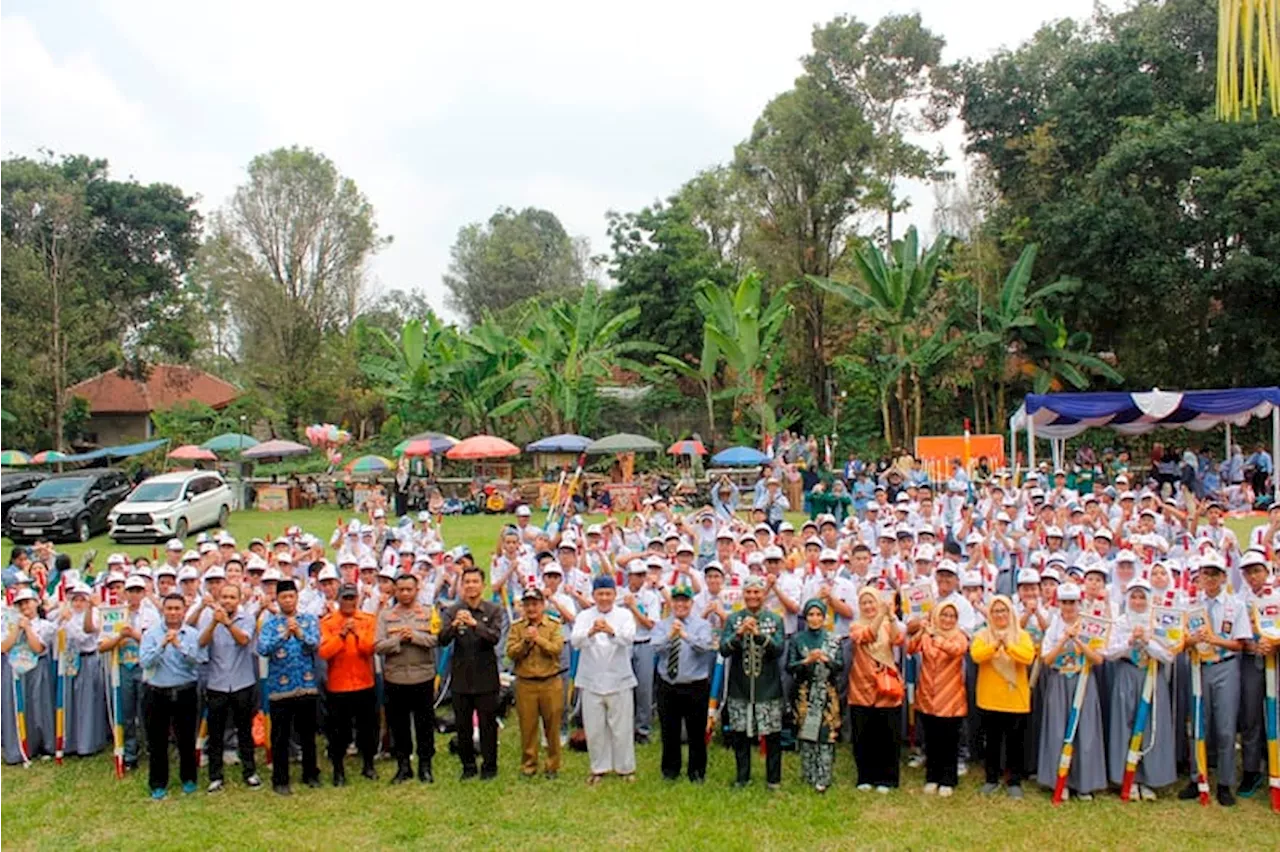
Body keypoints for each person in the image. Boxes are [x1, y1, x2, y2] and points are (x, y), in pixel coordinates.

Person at [1177, 552, 1249, 806]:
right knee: (1197, 724)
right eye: (1205, 573)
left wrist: (1213, 639)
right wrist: (1191, 641)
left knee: (1226, 728)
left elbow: (1240, 644)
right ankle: (1198, 778)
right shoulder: (1190, 606)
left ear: (1223, 577)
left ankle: (1226, 783)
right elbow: (1179, 640)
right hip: (1197, 667)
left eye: (1214, 574)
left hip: (1225, 667)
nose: (1209, 578)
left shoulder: (1235, 605)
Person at [1104, 578, 1176, 799]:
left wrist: (1147, 641)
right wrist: (1128, 641)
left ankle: (1150, 779)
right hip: (1127, 674)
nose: (1137, 601)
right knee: (1124, 725)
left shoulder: (1160, 622)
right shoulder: (1121, 621)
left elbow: (1169, 654)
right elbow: (1108, 652)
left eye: (1141, 597)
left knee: (1150, 724)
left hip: (1152, 676)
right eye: (1133, 596)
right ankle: (1127, 777)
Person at [1037, 582, 1107, 800]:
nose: (1068, 607)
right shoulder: (1053, 627)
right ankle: (1060, 780)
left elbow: (1098, 659)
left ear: (1079, 603)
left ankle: (1084, 782)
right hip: (1059, 680)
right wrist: (1063, 640)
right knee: (1058, 731)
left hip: (1083, 679)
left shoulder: (1090, 625)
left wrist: (1078, 640)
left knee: (1085, 731)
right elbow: (1047, 659)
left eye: (1072, 603)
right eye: (1065, 602)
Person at [570, 575, 638, 784]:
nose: (604, 598)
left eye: (608, 594)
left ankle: (625, 768)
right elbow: (575, 641)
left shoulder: (624, 615)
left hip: (619, 678)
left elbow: (629, 638)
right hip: (591, 678)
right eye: (600, 594)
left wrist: (610, 631)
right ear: (594, 595)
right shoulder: (584, 616)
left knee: (622, 727)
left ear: (614, 595)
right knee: (595, 728)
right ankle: (599, 768)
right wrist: (591, 631)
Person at [257, 579, 322, 795]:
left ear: (296, 598)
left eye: (291, 596)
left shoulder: (308, 620)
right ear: (277, 599)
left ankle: (310, 773)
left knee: (307, 735)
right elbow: (263, 649)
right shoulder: (270, 624)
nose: (288, 600)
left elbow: (315, 644)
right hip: (280, 688)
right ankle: (280, 779)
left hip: (306, 685)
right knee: (280, 737)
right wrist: (283, 635)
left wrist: (300, 634)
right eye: (283, 597)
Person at [720, 575, 785, 789]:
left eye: (757, 592)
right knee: (740, 735)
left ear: (763, 594)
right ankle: (742, 777)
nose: (753, 596)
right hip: (740, 687)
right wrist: (739, 634)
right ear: (743, 594)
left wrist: (758, 636)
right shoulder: (733, 619)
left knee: (773, 735)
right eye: (748, 592)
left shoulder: (774, 620)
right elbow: (724, 650)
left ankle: (773, 779)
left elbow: (778, 650)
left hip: (768, 686)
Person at [438, 565, 502, 781]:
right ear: (462, 586)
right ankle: (468, 766)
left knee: (487, 724)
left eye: (475, 582)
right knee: (463, 726)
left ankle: (490, 765)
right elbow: (442, 639)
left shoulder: (493, 610)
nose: (471, 586)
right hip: (461, 678)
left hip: (486, 677)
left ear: (482, 586)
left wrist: (475, 625)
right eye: (467, 582)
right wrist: (455, 625)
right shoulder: (452, 610)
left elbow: (494, 638)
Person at [138, 594, 205, 799]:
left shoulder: (192, 634)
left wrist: (179, 646)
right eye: (169, 609)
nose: (173, 613)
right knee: (157, 741)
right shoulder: (151, 634)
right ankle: (158, 783)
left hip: (185, 691)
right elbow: (145, 662)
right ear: (163, 611)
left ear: (184, 611)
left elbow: (198, 660)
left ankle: (189, 779)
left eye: (177, 608)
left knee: (186, 738)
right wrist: (162, 645)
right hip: (157, 692)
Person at [376, 572, 439, 784]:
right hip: (396, 679)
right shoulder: (386, 616)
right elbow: (377, 646)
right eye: (400, 589)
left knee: (424, 725)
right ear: (395, 591)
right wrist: (398, 640)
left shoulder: (428, 613)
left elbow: (436, 639)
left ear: (416, 590)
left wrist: (415, 637)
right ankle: (403, 766)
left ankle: (425, 766)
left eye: (409, 589)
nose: (404, 593)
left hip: (423, 676)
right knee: (399, 725)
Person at [970, 594, 1035, 798]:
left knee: (1015, 742)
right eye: (996, 611)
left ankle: (1014, 781)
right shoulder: (983, 634)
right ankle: (991, 778)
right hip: (990, 698)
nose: (1000, 615)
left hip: (1015, 698)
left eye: (1004, 610)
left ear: (1011, 613)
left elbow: (1028, 656)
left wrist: (1008, 645)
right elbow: (976, 655)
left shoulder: (1021, 635)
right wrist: (995, 645)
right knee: (992, 741)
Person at [198, 581, 261, 792]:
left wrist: (226, 623)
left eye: (232, 597)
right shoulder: (210, 617)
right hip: (217, 683)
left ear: (239, 599)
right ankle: (215, 776)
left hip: (243, 682)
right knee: (215, 733)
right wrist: (214, 623)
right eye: (224, 597)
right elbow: (202, 642)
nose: (227, 601)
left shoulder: (248, 617)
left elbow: (244, 640)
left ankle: (250, 771)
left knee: (244, 730)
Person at [651, 584, 717, 784]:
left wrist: (686, 636)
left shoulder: (701, 625)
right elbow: (655, 647)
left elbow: (706, 647)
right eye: (677, 600)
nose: (680, 604)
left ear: (691, 603)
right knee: (669, 730)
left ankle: (696, 772)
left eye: (685, 600)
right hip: (668, 683)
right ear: (671, 603)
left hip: (694, 684)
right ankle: (670, 770)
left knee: (696, 731)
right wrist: (670, 635)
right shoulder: (662, 625)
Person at [319, 582, 378, 786]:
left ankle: (368, 764)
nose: (349, 602)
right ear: (338, 599)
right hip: (339, 685)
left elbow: (369, 648)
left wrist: (357, 633)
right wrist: (342, 634)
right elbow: (325, 652)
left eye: (352, 598)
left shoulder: (368, 620)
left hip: (364, 683)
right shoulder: (328, 622)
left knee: (368, 728)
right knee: (339, 732)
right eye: (345, 598)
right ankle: (338, 770)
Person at [908, 600, 969, 797]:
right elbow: (910, 648)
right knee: (932, 740)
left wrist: (937, 637)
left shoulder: (959, 637)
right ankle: (932, 777)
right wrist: (921, 631)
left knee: (949, 740)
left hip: (950, 698)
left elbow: (956, 651)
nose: (947, 620)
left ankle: (948, 779)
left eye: (951, 616)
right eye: (944, 615)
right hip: (928, 696)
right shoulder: (927, 635)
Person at [505, 586, 565, 779]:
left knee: (552, 726)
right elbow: (511, 653)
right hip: (526, 683)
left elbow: (556, 649)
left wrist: (538, 639)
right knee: (528, 726)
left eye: (535, 604)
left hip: (550, 681)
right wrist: (525, 642)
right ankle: (529, 764)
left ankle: (553, 765)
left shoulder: (553, 625)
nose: (531, 609)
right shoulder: (517, 627)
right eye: (527, 604)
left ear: (543, 605)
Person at [847, 587, 904, 793]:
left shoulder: (887, 624)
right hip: (861, 685)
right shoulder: (854, 626)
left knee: (887, 733)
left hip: (886, 685)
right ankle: (865, 776)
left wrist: (892, 617)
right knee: (863, 733)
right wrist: (881, 614)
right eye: (864, 603)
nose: (869, 606)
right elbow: (868, 636)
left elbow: (898, 640)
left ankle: (887, 778)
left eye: (872, 602)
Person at [787, 599, 843, 792]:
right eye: (811, 614)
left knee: (826, 736)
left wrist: (827, 660)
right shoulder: (797, 639)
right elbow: (789, 666)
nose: (815, 618)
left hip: (827, 693)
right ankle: (809, 774)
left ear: (824, 617)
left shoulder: (833, 639)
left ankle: (824, 776)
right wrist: (806, 661)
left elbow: (840, 666)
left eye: (819, 614)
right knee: (808, 733)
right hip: (805, 694)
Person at [0, 588, 56, 764]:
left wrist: (28, 628)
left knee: (40, 705)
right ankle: (19, 747)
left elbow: (38, 648)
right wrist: (17, 629)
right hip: (15, 669)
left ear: (36, 602)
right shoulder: (7, 624)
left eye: (27, 602)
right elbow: (4, 647)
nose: (25, 606)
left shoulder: (45, 625)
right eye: (21, 603)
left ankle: (45, 744)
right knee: (17, 705)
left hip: (37, 666)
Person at [58, 584, 107, 756]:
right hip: (72, 661)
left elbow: (83, 636)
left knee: (87, 701)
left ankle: (87, 743)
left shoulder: (93, 615)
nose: (78, 604)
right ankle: (71, 741)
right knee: (72, 701)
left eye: (82, 600)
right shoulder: (67, 615)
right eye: (75, 600)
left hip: (88, 659)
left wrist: (69, 620)